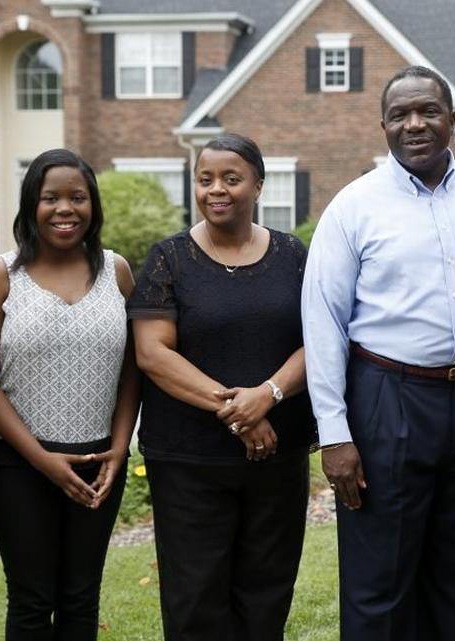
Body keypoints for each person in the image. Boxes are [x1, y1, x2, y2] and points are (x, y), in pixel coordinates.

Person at [302, 65, 455, 641]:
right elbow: (323, 321)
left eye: (427, 111)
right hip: (387, 399)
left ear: (453, 119)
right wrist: (334, 433)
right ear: (383, 126)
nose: (414, 123)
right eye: (400, 115)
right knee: (380, 579)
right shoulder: (353, 207)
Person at [129, 133, 313, 641]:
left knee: (266, 595)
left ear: (257, 185)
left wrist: (268, 395)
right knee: (195, 600)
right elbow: (153, 353)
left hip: (278, 460)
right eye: (205, 179)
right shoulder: (169, 259)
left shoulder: (293, 255)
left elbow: (321, 339)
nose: (217, 190)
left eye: (231, 179)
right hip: (189, 462)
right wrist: (240, 412)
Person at [0, 148, 139, 641]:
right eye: (51, 198)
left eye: (77, 197)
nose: (65, 208)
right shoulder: (1, 276)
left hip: (98, 460)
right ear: (31, 206)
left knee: (81, 597)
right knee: (31, 598)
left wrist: (120, 448)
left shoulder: (117, 272)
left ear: (93, 205)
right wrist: (43, 460)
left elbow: (133, 368)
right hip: (17, 462)